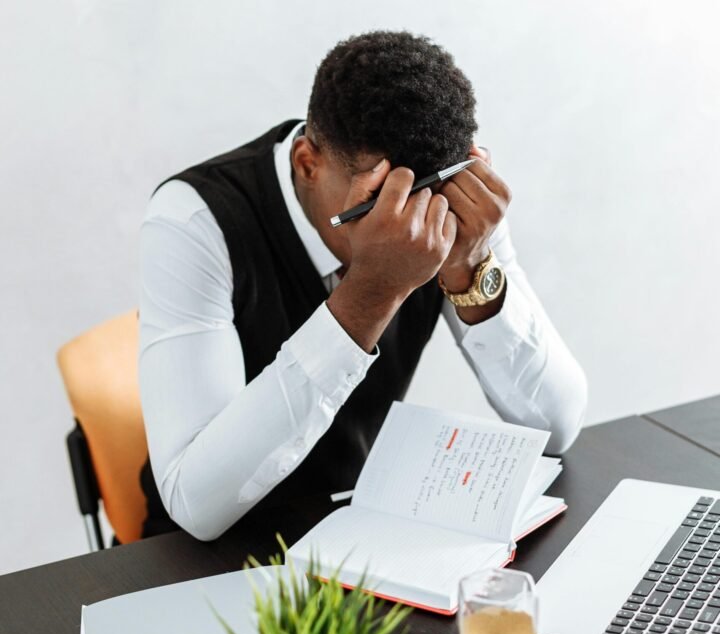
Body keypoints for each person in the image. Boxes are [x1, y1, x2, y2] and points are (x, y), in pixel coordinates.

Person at [138, 30, 587, 541]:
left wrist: (472, 267)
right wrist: (370, 293)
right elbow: (195, 504)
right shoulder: (192, 220)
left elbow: (557, 423)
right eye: (380, 203)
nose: (412, 228)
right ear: (308, 162)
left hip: (356, 528)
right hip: (205, 559)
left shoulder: (445, 202)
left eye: (428, 197)